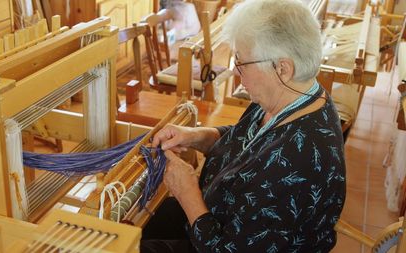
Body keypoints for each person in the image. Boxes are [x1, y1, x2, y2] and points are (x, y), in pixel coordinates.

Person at [140, 0, 346, 252]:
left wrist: (186, 192)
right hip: (218, 214)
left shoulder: (296, 161)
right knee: (136, 226)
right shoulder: (295, 95)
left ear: (282, 68)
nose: (237, 72)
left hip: (219, 241)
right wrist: (196, 136)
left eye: (242, 62)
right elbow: (246, 139)